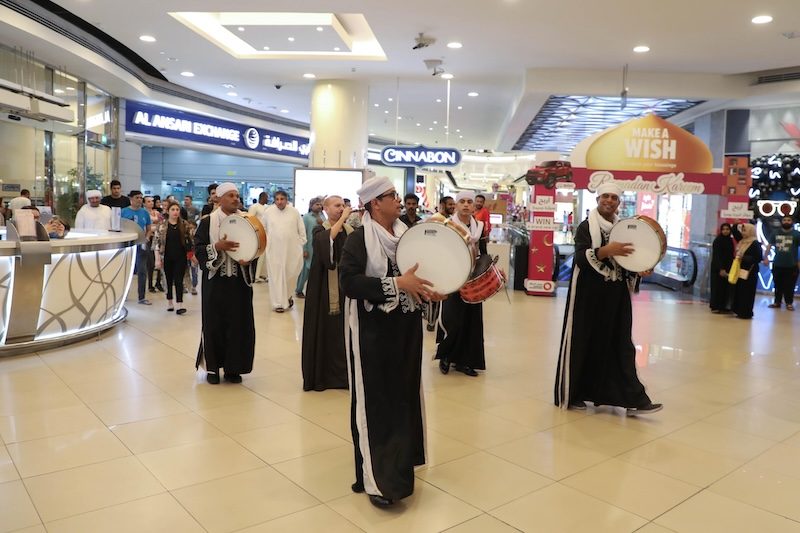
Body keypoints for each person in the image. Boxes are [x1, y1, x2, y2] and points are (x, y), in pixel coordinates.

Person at [339, 176, 444, 508]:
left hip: (406, 331)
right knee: (376, 403)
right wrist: (397, 283)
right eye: (392, 196)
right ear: (375, 204)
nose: (399, 200)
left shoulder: (406, 236)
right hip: (372, 333)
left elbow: (420, 277)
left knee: (402, 398)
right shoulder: (358, 240)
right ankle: (376, 480)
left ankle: (398, 468)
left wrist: (430, 290)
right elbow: (349, 282)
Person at [554, 182, 662, 415]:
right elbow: (581, 259)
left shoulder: (625, 228)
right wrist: (607, 250)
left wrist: (640, 268)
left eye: (614, 197)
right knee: (582, 340)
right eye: (605, 196)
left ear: (619, 202)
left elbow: (629, 260)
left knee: (620, 343)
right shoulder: (586, 227)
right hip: (587, 294)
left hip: (616, 293)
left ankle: (633, 399)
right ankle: (574, 394)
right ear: (598, 199)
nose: (609, 201)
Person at [194, 182, 257, 384]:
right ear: (219, 199)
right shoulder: (207, 222)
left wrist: (250, 258)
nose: (235, 199)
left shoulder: (247, 220)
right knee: (214, 324)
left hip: (239, 281)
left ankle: (233, 368)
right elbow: (198, 249)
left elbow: (257, 246)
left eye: (237, 195)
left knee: (239, 324)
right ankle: (213, 369)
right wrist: (217, 246)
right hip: (215, 283)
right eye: (230, 195)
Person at [301, 195, 353, 391]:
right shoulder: (319, 228)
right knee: (323, 329)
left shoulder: (349, 231)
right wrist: (341, 220)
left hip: (345, 288)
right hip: (323, 288)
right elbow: (325, 245)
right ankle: (320, 377)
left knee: (343, 332)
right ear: (326, 208)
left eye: (343, 205)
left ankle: (343, 376)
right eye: (337, 206)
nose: (341, 208)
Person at [435, 191, 487, 377]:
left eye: (469, 202)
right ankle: (446, 356)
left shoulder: (480, 227)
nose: (466, 205)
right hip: (452, 278)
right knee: (452, 318)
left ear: (474, 207)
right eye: (462, 202)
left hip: (473, 279)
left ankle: (465, 361)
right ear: (456, 205)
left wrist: (486, 270)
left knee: (471, 320)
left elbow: (483, 252)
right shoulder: (448, 226)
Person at [263, 190, 306, 312]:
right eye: (277, 199)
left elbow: (301, 229)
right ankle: (278, 304)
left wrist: (300, 243)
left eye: (282, 199)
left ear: (286, 200)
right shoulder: (268, 212)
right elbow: (263, 228)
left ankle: (287, 297)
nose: (279, 202)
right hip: (274, 251)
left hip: (292, 250)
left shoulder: (294, 212)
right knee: (276, 276)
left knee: (291, 274)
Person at [153, 202, 193, 315]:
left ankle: (180, 304)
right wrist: (157, 259)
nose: (175, 212)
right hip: (166, 257)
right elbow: (156, 243)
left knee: (179, 281)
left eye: (177, 209)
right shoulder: (161, 226)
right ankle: (170, 302)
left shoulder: (184, 225)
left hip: (180, 257)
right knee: (168, 280)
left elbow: (190, 242)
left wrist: (191, 256)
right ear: (168, 211)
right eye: (173, 209)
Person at [121, 190, 153, 305]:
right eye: (137, 197)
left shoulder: (144, 213)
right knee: (126, 270)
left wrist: (147, 237)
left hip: (141, 244)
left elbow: (149, 228)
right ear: (131, 198)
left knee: (142, 270)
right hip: (127, 245)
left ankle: (142, 297)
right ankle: (123, 295)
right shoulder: (124, 212)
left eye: (141, 198)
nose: (139, 200)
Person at [764, 215, 800, 310]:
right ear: (781, 222)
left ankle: (789, 303)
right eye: (784, 220)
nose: (786, 221)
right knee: (777, 284)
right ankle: (777, 302)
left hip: (792, 264)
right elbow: (769, 245)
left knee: (790, 285)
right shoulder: (775, 233)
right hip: (777, 263)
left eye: (789, 220)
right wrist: (766, 257)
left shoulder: (797, 234)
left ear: (792, 222)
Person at [732, 223, 763, 319]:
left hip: (750, 271)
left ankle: (746, 312)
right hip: (741, 270)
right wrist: (737, 223)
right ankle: (739, 310)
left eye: (745, 231)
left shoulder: (755, 243)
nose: (743, 233)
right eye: (743, 230)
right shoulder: (743, 241)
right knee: (740, 291)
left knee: (747, 292)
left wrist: (744, 257)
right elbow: (735, 231)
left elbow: (758, 257)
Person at [296, 197, 324, 298]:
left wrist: (322, 223)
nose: (319, 206)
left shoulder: (323, 216)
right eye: (317, 204)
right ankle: (299, 290)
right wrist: (304, 249)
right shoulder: (306, 218)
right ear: (311, 206)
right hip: (309, 248)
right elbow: (304, 234)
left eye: (320, 204)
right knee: (305, 271)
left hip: (319, 248)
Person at [709, 223, 736, 313]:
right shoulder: (718, 241)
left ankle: (724, 306)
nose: (725, 231)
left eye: (727, 229)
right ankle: (715, 306)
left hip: (728, 267)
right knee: (717, 287)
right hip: (718, 268)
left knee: (725, 288)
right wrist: (721, 268)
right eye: (723, 229)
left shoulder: (730, 240)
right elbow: (717, 256)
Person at [247, 192, 270, 282]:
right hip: (257, 233)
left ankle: (263, 274)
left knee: (265, 255)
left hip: (266, 233)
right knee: (259, 255)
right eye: (266, 197)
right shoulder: (254, 207)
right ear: (262, 197)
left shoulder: (267, 208)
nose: (267, 199)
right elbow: (250, 218)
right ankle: (255, 275)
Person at [145, 197, 164, 293]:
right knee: (151, 262)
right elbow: (147, 227)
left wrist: (154, 227)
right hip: (148, 239)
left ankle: (158, 283)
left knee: (160, 260)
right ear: (145, 203)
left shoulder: (157, 213)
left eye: (152, 201)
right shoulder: (144, 213)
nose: (151, 203)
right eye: (148, 201)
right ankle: (150, 285)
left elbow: (161, 224)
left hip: (157, 238)